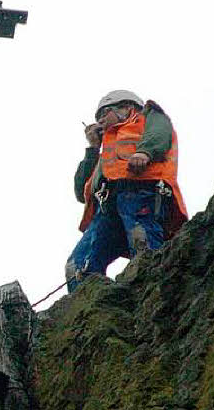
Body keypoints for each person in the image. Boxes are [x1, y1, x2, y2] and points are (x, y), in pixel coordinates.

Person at [65, 91, 187, 293]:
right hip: (107, 210)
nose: (101, 120)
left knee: (144, 244)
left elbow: (160, 134)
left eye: (104, 113)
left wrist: (144, 152)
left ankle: (154, 292)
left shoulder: (148, 117)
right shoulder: (105, 150)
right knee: (78, 263)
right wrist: (93, 148)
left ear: (126, 107)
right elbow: (81, 191)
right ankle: (87, 305)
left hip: (141, 194)